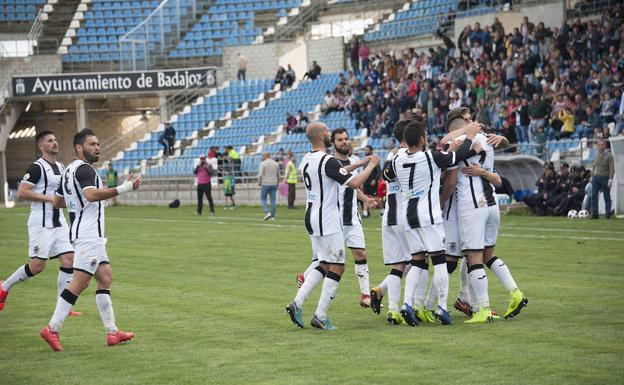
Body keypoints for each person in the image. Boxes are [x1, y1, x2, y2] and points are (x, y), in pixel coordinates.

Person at [40, 128, 140, 351]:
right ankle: (52, 328)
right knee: (79, 283)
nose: (97, 147)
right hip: (88, 236)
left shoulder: (68, 171)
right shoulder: (85, 169)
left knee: (104, 278)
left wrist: (77, 201)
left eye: (98, 144)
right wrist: (124, 188)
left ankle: (112, 333)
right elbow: (90, 195)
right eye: (92, 144)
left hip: (85, 234)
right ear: (79, 147)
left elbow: (58, 202)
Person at [286, 121, 380, 331]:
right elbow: (354, 183)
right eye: (327, 131)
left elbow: (333, 172)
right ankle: (320, 315)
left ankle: (297, 303)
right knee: (337, 266)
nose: (330, 133)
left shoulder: (307, 159)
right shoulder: (327, 160)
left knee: (324, 263)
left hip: (311, 216)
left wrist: (354, 165)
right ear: (321, 136)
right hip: (327, 219)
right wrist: (371, 165)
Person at [391, 118, 479, 326]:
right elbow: (459, 155)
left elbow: (443, 156)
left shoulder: (397, 159)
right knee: (440, 261)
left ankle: (406, 304)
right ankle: (441, 306)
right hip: (428, 216)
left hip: (408, 216)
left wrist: (448, 148)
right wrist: (470, 136)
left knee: (418, 261)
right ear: (422, 138)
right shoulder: (431, 157)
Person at [445, 108, 528, 321]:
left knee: (473, 259)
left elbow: (445, 141)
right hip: (492, 205)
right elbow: (507, 146)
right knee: (488, 256)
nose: (470, 120)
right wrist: (502, 138)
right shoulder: (488, 138)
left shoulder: (462, 140)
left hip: (472, 206)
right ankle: (515, 292)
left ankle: (482, 309)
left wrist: (464, 130)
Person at [0, 131, 79, 316]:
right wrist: (49, 198)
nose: (55, 143)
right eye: (50, 141)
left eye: (56, 139)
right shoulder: (36, 168)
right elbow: (23, 192)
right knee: (37, 266)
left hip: (59, 222)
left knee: (69, 259)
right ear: (41, 146)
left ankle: (64, 307)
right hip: (40, 224)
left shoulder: (61, 167)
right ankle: (4, 286)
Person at [330, 128, 375, 308]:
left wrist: (366, 200)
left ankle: (365, 294)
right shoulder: (330, 163)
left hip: (352, 216)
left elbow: (353, 186)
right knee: (329, 261)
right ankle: (306, 276)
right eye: (340, 139)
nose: (344, 142)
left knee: (360, 253)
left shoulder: (354, 160)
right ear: (333, 143)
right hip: (335, 218)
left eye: (346, 138)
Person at [590, 140, 615, 219]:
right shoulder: (596, 155)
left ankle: (608, 214)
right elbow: (593, 166)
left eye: (602, 145)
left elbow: (611, 169)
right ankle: (595, 214)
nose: (601, 146)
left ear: (605, 146)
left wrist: (610, 179)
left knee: (606, 196)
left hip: (605, 177)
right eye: (599, 145)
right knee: (594, 196)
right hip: (596, 178)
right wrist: (592, 176)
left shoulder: (609, 155)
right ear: (597, 146)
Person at [258, 152, 280, 220]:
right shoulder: (276, 164)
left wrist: (259, 182)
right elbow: (278, 175)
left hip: (265, 183)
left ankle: (267, 212)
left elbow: (260, 175)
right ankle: (272, 216)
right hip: (274, 183)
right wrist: (277, 184)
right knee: (273, 201)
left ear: (265, 156)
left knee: (263, 199)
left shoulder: (263, 163)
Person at [361, 145, 380, 218]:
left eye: (367, 150)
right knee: (365, 196)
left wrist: (375, 179)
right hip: (366, 181)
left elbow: (379, 171)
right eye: (365, 150)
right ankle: (365, 213)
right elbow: (364, 171)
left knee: (376, 197)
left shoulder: (375, 159)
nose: (366, 151)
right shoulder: (364, 160)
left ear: (371, 150)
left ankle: (383, 210)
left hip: (373, 181)